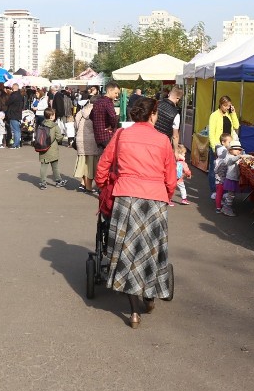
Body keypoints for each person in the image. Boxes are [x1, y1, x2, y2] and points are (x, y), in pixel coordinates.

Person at [96, 97, 175, 329]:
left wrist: (103, 184)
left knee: (128, 252)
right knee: (151, 251)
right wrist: (167, 195)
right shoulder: (163, 140)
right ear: (152, 115)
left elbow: (104, 164)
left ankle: (133, 314)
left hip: (126, 197)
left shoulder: (121, 135)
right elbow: (170, 176)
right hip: (155, 200)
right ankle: (149, 296)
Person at [207, 96, 240, 198]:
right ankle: (214, 190)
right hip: (218, 146)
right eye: (225, 105)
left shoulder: (229, 115)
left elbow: (237, 126)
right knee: (214, 169)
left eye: (229, 105)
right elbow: (211, 133)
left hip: (227, 146)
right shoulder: (214, 115)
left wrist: (233, 113)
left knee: (225, 169)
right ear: (220, 105)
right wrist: (214, 148)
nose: (227, 108)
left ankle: (223, 191)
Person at [73, 97, 102, 193]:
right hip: (92, 141)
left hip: (80, 140)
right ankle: (88, 187)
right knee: (91, 165)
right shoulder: (97, 113)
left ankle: (83, 183)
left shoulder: (80, 112)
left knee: (83, 163)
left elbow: (76, 126)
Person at [37, 108, 66, 189]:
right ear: (51, 116)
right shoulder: (55, 126)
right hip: (52, 149)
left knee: (43, 166)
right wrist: (62, 136)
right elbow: (59, 138)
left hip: (42, 147)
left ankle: (42, 183)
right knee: (55, 166)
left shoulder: (41, 124)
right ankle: (58, 181)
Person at [92, 81, 120, 151]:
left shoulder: (97, 101)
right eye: (115, 93)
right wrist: (113, 127)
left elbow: (91, 116)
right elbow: (113, 116)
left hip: (98, 136)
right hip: (107, 135)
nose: (117, 95)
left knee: (102, 158)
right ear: (109, 91)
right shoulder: (108, 102)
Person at [154, 87, 183, 152]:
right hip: (163, 144)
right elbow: (175, 136)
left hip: (150, 138)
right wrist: (176, 151)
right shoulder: (175, 114)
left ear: (169, 94)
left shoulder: (156, 104)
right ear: (178, 99)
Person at [220, 140, 244, 217]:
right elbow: (231, 161)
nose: (238, 151)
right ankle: (227, 208)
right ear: (230, 150)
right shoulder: (229, 157)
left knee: (231, 194)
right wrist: (240, 156)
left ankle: (226, 205)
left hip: (234, 178)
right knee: (231, 195)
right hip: (231, 178)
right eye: (236, 149)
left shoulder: (234, 156)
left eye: (239, 150)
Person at [213, 133, 233, 212]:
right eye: (229, 142)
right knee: (220, 191)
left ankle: (221, 204)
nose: (230, 144)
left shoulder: (223, 149)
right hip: (220, 176)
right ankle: (218, 207)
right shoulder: (222, 150)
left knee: (221, 191)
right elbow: (225, 156)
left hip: (222, 175)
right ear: (223, 142)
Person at [5, 84, 24, 149]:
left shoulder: (13, 95)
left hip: (13, 114)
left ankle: (15, 144)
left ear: (13, 87)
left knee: (15, 130)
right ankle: (18, 144)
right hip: (18, 114)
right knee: (17, 130)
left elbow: (7, 103)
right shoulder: (20, 95)